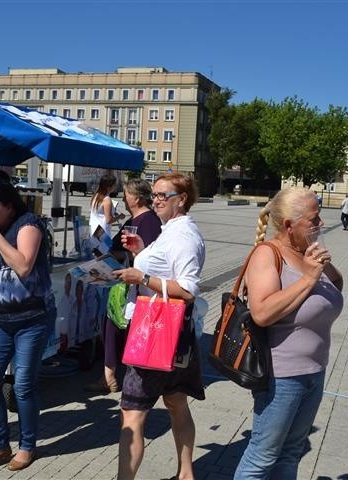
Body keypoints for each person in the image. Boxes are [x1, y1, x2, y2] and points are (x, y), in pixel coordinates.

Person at [235, 187, 344, 479]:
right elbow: (263, 313)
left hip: (314, 371)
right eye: (314, 219)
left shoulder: (305, 253)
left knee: (292, 451)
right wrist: (309, 278)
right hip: (281, 377)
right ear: (288, 225)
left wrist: (322, 268)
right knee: (262, 456)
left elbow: (333, 289)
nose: (320, 224)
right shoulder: (267, 254)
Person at [113, 173, 205, 480]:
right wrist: (142, 251)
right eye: (154, 195)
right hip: (170, 334)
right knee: (176, 401)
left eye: (163, 195)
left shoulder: (183, 236)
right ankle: (186, 474)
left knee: (132, 413)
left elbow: (189, 289)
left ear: (182, 199)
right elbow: (166, 270)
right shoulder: (171, 231)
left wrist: (141, 278)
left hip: (157, 332)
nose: (156, 200)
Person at [0, 180, 55, 472]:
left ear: (9, 206)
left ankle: (27, 446)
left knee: (22, 385)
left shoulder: (28, 224)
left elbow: (23, 266)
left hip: (31, 319)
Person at [84, 178, 162, 395]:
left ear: (136, 197)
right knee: (111, 326)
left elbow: (145, 256)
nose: (124, 198)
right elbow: (118, 248)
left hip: (137, 288)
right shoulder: (135, 219)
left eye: (126, 194)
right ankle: (109, 376)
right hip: (123, 285)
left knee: (125, 330)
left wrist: (119, 255)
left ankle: (128, 378)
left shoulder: (150, 222)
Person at [89, 173, 124, 239]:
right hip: (102, 231)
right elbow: (109, 220)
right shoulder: (107, 199)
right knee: (103, 249)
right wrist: (119, 216)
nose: (116, 186)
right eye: (114, 184)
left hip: (93, 228)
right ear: (109, 186)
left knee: (94, 247)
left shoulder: (95, 196)